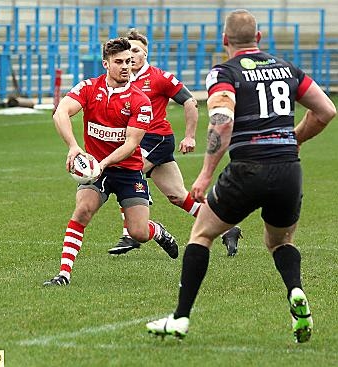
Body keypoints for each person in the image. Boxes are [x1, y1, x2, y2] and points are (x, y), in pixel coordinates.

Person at [145, 9, 335, 343]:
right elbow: (326, 110)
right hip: (288, 169)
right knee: (280, 242)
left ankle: (180, 319)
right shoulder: (287, 68)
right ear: (259, 38)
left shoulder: (225, 72)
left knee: (202, 233)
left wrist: (205, 175)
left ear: (224, 40)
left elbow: (221, 120)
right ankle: (295, 292)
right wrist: (296, 138)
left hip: (248, 167)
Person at [44, 37, 179, 287]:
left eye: (129, 61)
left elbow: (131, 144)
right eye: (119, 62)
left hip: (128, 171)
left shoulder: (140, 100)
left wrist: (102, 162)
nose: (126, 67)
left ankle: (157, 231)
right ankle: (63, 274)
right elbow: (61, 112)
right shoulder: (88, 88)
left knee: (138, 232)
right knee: (83, 209)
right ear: (106, 64)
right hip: (98, 171)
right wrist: (74, 147)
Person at [108, 29, 242, 257]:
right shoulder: (121, 80)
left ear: (145, 54)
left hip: (156, 139)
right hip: (137, 141)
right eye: (128, 51)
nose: (131, 55)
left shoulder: (159, 77)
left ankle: (131, 233)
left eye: (136, 50)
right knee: (179, 196)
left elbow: (190, 101)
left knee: (126, 173)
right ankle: (227, 229)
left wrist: (189, 136)